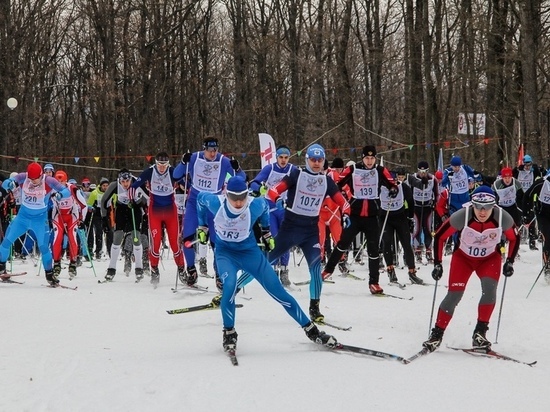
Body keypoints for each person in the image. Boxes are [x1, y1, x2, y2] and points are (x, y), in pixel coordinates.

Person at [195, 175, 338, 353]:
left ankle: (311, 330)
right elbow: (199, 199)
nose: (239, 202)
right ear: (226, 194)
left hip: (250, 253)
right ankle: (229, 332)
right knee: (229, 286)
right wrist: (202, 226)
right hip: (226, 254)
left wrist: (266, 231)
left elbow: (264, 211)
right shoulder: (215, 202)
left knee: (279, 292)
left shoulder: (256, 204)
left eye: (242, 197)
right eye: (234, 198)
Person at [237, 144, 351, 323]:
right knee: (264, 262)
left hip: (310, 232)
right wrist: (277, 199)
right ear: (307, 159)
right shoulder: (297, 175)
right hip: (290, 228)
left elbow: (342, 201)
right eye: (313, 160)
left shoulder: (326, 181)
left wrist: (348, 213)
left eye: (319, 160)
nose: (316, 163)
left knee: (315, 269)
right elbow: (275, 190)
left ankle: (315, 307)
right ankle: (232, 290)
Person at [422, 186, 519, 352]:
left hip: (489, 259)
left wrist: (509, 260)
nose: (482, 212)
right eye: (478, 207)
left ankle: (480, 333)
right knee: (454, 294)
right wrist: (437, 263)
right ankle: (437, 334)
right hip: (463, 259)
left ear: (493, 206)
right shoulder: (463, 216)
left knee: (489, 290)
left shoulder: (502, 217)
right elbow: (440, 236)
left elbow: (514, 238)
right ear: (472, 204)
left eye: (487, 207)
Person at [321, 145, 397, 295]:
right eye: (367, 158)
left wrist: (393, 190)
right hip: (355, 216)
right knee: (342, 244)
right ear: (362, 158)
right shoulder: (353, 169)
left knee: (374, 250)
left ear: (375, 158)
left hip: (372, 216)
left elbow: (392, 184)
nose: (369, 161)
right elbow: (338, 183)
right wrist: (340, 192)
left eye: (372, 158)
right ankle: (327, 270)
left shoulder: (380, 170)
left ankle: (374, 282)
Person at [173, 137, 246, 288]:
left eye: (215, 150)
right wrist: (183, 162)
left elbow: (241, 179)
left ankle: (219, 274)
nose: (213, 154)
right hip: (195, 202)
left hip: (214, 204)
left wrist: (237, 168)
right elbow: (176, 175)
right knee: (188, 237)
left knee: (216, 241)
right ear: (204, 149)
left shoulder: (223, 161)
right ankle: (191, 270)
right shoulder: (195, 157)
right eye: (210, 150)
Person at [0, 163, 70, 285]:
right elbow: (6, 182)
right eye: (31, 179)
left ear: (41, 174)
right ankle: (1, 268)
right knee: (6, 241)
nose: (33, 182)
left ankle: (49, 274)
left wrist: (60, 195)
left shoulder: (48, 180)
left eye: (35, 179)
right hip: (22, 218)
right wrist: (10, 183)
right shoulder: (23, 177)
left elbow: (66, 191)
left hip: (40, 220)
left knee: (43, 247)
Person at [131, 152, 185, 286]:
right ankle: (154, 269)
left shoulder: (173, 172)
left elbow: (186, 183)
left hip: (170, 212)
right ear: (155, 163)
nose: (162, 168)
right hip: (154, 211)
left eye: (165, 165)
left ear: (168, 164)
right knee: (155, 244)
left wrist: (187, 188)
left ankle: (182, 269)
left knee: (175, 245)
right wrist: (132, 199)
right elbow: (134, 186)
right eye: (159, 165)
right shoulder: (149, 172)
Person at [249, 144, 298, 286]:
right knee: (273, 239)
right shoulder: (269, 169)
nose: (283, 160)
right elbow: (254, 183)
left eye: (286, 157)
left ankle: (284, 270)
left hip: (285, 209)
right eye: (281, 157)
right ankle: (273, 270)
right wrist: (259, 188)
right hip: (270, 208)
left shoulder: (293, 170)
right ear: (276, 157)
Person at [102, 169, 147, 282]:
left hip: (135, 209)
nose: (126, 184)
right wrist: (104, 218)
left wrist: (140, 203)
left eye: (128, 181)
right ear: (119, 180)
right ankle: (111, 269)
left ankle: (139, 268)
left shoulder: (137, 182)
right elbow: (104, 201)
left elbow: (148, 197)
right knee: (117, 237)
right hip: (121, 209)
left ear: (131, 179)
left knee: (136, 237)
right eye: (123, 182)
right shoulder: (115, 185)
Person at [381, 170, 423, 284]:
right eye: (391, 180)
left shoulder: (404, 187)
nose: (394, 182)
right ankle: (390, 270)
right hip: (386, 218)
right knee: (387, 243)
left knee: (406, 245)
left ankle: (412, 272)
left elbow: (410, 202)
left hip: (400, 218)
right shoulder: (381, 187)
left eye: (396, 180)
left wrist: (410, 218)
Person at [51, 170, 88, 279]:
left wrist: (82, 220)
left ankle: (73, 264)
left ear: (66, 181)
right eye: (57, 182)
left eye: (61, 182)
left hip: (71, 215)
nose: (59, 185)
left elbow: (84, 205)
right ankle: (57, 263)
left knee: (72, 239)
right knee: (57, 239)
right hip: (58, 215)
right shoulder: (52, 188)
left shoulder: (72, 188)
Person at [407, 161, 439, 264]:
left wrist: (435, 203)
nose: (423, 174)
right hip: (416, 207)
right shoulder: (413, 178)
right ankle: (417, 251)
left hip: (427, 207)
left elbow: (436, 193)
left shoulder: (433, 179)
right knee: (417, 229)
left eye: (425, 171)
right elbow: (409, 192)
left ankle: (429, 251)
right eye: (421, 171)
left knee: (428, 229)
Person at [523, 172, 550, 281]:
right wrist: (526, 215)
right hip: (543, 215)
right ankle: (547, 267)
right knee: (548, 238)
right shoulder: (542, 183)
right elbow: (527, 196)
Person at [514, 154, 542, 250]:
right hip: (520, 197)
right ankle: (518, 240)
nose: (527, 167)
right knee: (519, 217)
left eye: (529, 165)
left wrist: (537, 170)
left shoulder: (534, 171)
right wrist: (517, 169)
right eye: (525, 165)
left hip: (530, 196)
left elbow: (539, 179)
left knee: (531, 218)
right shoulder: (518, 171)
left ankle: (532, 241)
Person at [87, 177, 111, 259]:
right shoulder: (94, 193)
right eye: (104, 185)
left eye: (107, 186)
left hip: (107, 214)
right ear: (101, 186)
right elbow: (89, 204)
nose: (105, 187)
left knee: (109, 232)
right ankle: (98, 251)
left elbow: (114, 201)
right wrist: (91, 208)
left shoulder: (111, 192)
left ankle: (110, 250)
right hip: (97, 215)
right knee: (99, 232)